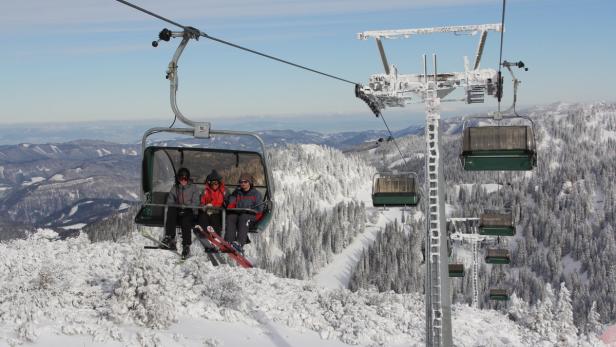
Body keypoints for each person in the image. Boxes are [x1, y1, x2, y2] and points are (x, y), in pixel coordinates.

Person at [162, 167, 200, 258]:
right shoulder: (175, 188)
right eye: (181, 179)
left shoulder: (193, 188)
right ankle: (170, 238)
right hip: (178, 210)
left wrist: (186, 207)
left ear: (188, 178)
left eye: (185, 179)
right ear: (178, 179)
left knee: (185, 221)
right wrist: (177, 206)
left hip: (189, 211)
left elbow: (196, 202)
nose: (183, 181)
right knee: (171, 210)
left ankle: (186, 246)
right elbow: (170, 201)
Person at [225, 173, 263, 253]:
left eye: (245, 182)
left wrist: (256, 217)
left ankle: (239, 243)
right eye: (241, 182)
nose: (243, 184)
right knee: (231, 217)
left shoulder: (256, 194)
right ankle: (230, 241)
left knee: (244, 217)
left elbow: (259, 209)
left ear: (249, 183)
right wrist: (231, 205)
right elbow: (231, 203)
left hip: (251, 217)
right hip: (239, 214)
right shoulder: (237, 193)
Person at [197, 169, 226, 234]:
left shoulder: (221, 191)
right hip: (207, 210)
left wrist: (212, 205)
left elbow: (220, 201)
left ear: (219, 183)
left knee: (214, 218)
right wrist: (204, 206)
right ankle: (203, 232)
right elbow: (202, 201)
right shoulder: (206, 191)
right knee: (203, 217)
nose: (215, 185)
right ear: (210, 183)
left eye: (216, 183)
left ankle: (216, 235)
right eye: (213, 183)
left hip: (216, 211)